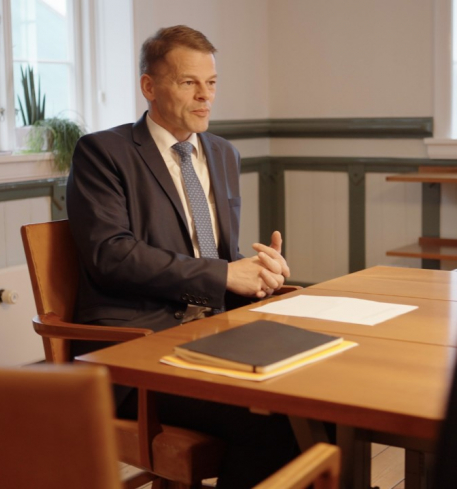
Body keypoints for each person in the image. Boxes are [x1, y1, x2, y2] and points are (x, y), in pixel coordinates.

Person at [66, 25, 299, 488]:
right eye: (188, 82)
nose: (205, 96)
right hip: (134, 350)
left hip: (215, 336)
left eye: (211, 83)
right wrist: (223, 275)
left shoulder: (224, 153)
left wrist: (259, 274)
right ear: (149, 86)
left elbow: (217, 256)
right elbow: (111, 255)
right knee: (273, 421)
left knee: (314, 401)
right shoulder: (103, 152)